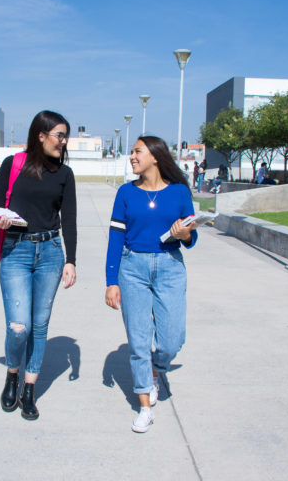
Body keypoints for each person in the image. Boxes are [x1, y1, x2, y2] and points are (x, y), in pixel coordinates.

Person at [104, 135, 199, 433]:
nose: (132, 157)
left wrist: (184, 234)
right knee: (139, 340)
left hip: (170, 266)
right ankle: (145, 406)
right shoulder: (125, 193)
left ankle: (159, 368)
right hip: (132, 268)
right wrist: (111, 281)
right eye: (131, 152)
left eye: (137, 152)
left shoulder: (180, 192)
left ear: (155, 156)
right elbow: (115, 238)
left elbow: (191, 240)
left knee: (171, 340)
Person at [0, 110, 77, 421]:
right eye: (59, 135)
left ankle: (29, 390)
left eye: (65, 136)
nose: (63, 141)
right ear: (41, 136)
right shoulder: (14, 165)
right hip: (16, 251)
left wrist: (71, 260)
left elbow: (69, 219)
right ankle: (12, 374)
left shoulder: (65, 174)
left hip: (51, 253)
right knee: (19, 326)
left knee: (39, 327)